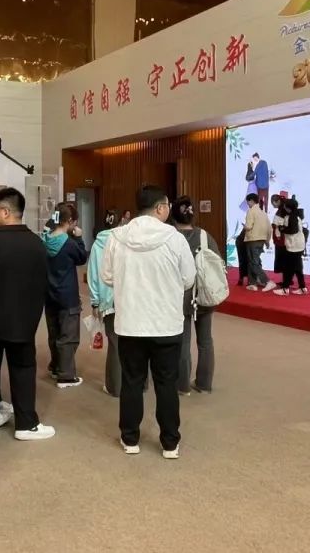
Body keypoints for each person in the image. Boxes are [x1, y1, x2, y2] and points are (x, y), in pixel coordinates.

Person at [102, 186, 195, 458]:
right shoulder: (175, 238)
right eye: (167, 206)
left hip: (131, 322)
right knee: (166, 383)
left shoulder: (117, 237)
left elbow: (107, 277)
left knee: (132, 381)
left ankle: (130, 438)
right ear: (160, 208)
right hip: (166, 323)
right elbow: (188, 278)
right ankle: (170, 443)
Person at [0, 188, 52, 439]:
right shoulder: (36, 243)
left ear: (5, 212)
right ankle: (26, 424)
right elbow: (43, 284)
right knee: (23, 369)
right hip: (23, 322)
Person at [172, 197, 221, 394]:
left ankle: (182, 386)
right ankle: (204, 383)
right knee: (206, 341)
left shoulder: (171, 238)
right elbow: (218, 263)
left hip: (180, 297)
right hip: (205, 295)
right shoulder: (205, 236)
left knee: (183, 341)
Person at [41, 203, 89, 388]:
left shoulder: (45, 239)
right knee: (69, 337)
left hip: (49, 294)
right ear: (70, 221)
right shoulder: (69, 244)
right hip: (67, 296)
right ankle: (66, 376)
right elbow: (82, 258)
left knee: (54, 334)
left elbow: (51, 223)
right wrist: (79, 238)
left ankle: (55, 367)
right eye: (74, 221)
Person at [88, 209, 121, 397]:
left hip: (108, 301)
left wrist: (95, 302)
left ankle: (115, 387)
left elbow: (93, 275)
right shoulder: (126, 240)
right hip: (128, 297)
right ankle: (141, 384)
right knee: (135, 343)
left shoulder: (97, 244)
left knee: (115, 344)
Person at [273, 197, 309, 296]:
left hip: (294, 246)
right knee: (298, 268)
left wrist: (282, 229)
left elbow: (292, 230)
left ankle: (285, 289)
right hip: (299, 245)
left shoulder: (291, 217)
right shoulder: (297, 215)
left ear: (288, 207)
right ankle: (302, 287)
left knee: (289, 268)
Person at [243, 193, 275, 292]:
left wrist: (244, 227)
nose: (247, 204)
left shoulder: (251, 211)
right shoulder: (263, 213)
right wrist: (267, 240)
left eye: (248, 202)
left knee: (253, 262)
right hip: (261, 240)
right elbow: (270, 228)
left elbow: (249, 226)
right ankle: (252, 283)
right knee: (253, 261)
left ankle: (267, 281)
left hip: (252, 239)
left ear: (251, 201)